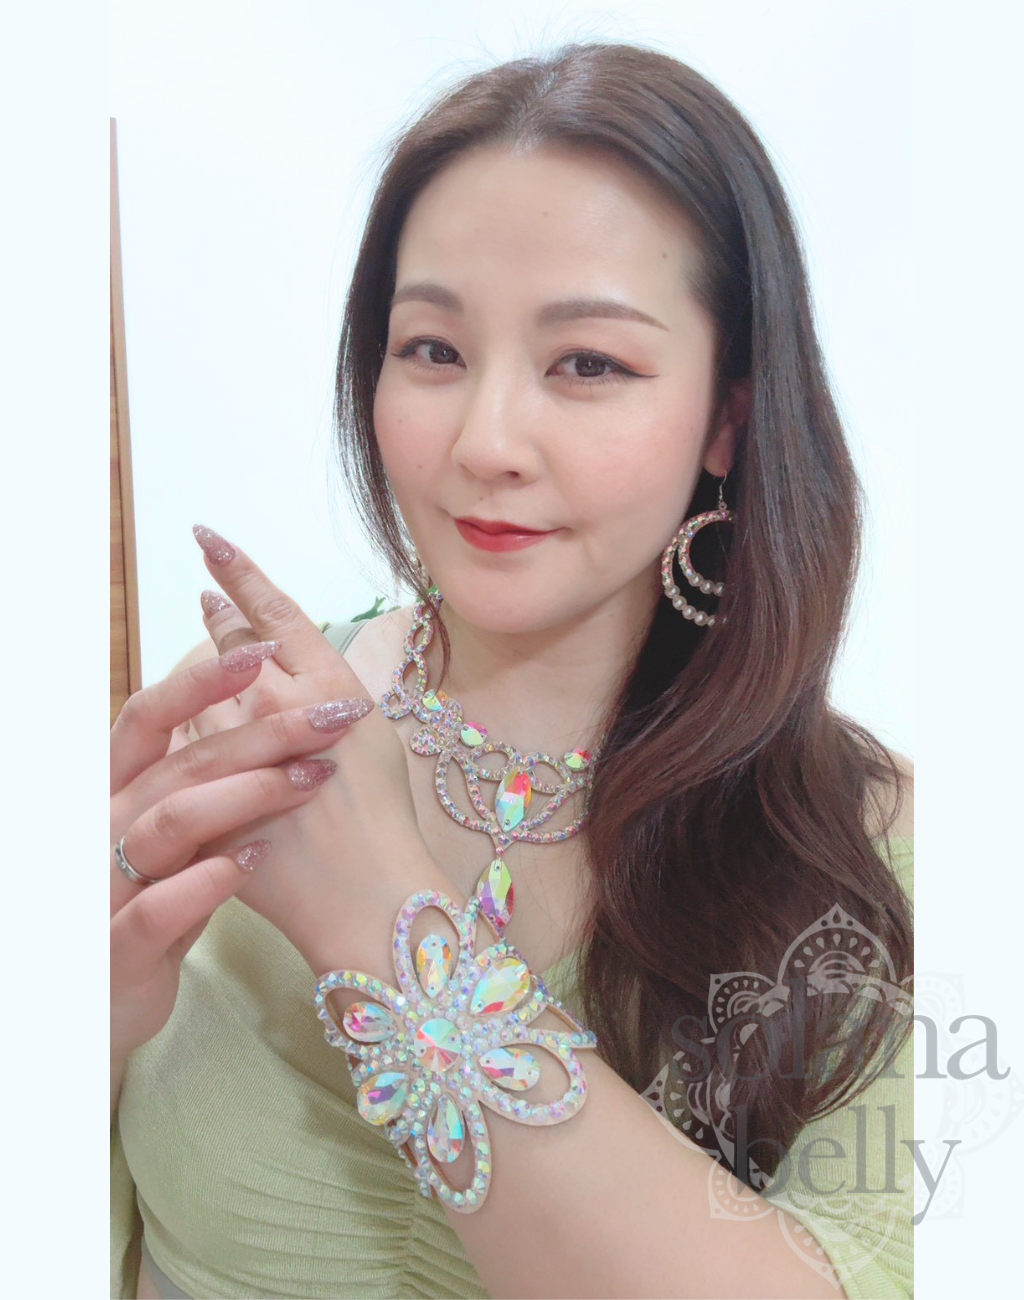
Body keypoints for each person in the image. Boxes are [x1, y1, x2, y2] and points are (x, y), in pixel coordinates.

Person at [111, 41, 914, 1300]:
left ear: (727, 418)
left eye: (587, 363)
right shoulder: (233, 716)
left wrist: (378, 915)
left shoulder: (878, 851)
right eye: (432, 350)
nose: (485, 441)